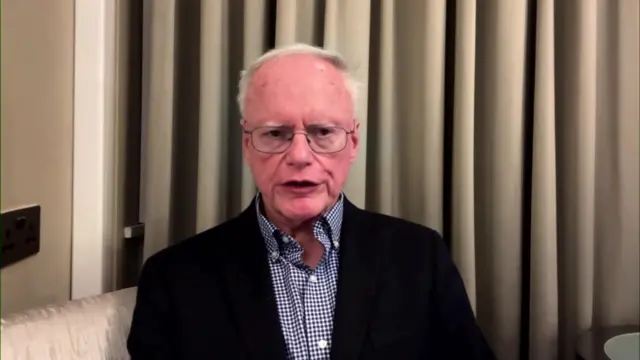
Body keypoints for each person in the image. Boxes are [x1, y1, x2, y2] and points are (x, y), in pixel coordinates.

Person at [127, 43, 496, 360]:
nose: (300, 155)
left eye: (323, 132)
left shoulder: (419, 256)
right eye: (275, 133)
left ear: (352, 143)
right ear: (246, 145)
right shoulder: (174, 278)